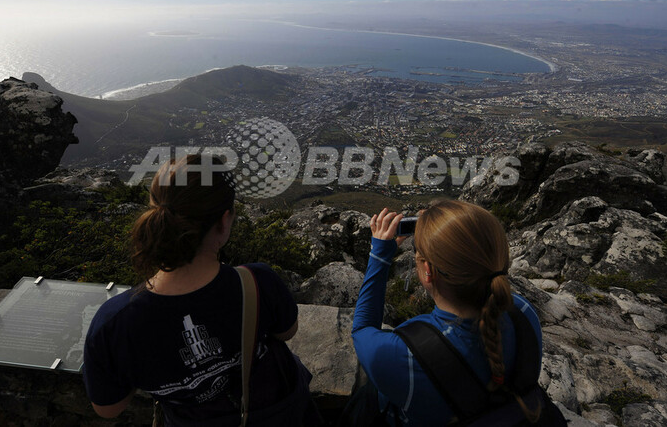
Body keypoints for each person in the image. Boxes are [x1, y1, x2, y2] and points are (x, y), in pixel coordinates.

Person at [83, 155, 318, 426]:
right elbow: (287, 331)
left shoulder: (114, 323)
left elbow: (108, 408)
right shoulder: (256, 282)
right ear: (224, 220)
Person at [351, 200, 543, 426]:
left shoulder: (405, 354)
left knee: (367, 395)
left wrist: (380, 255)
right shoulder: (522, 312)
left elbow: (362, 329)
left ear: (428, 271)